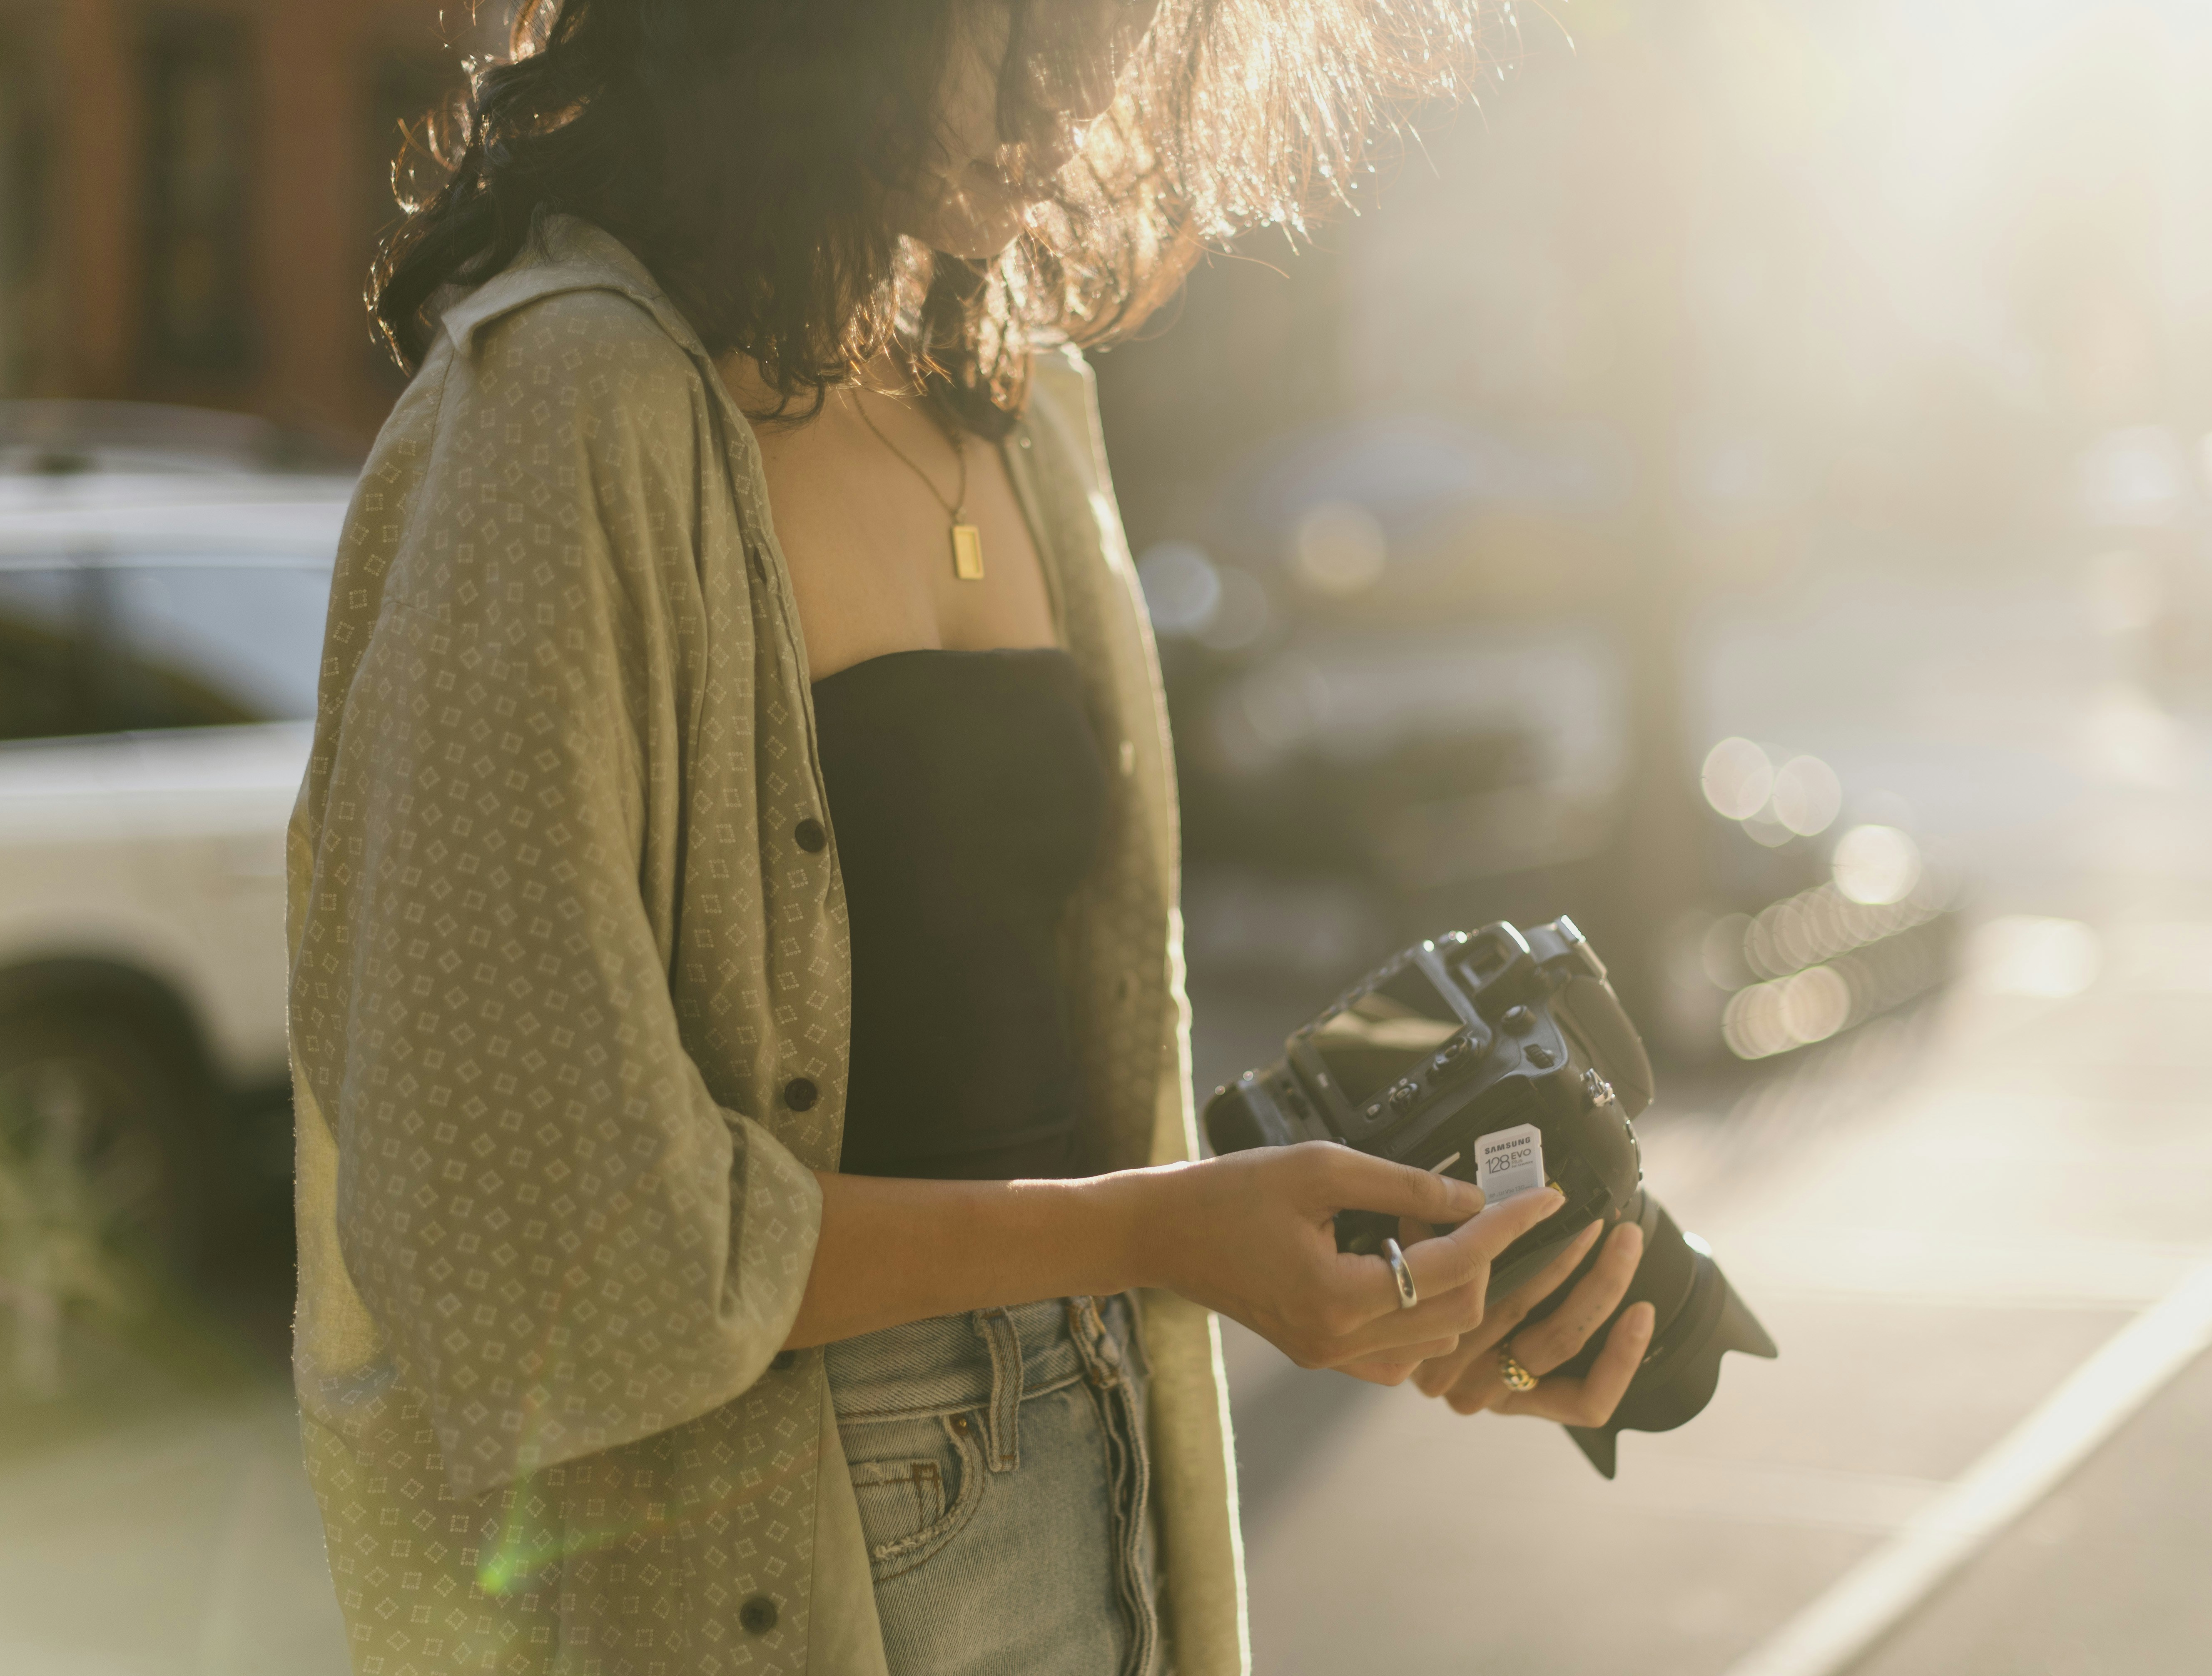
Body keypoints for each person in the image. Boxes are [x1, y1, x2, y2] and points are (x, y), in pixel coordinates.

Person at [288, 1, 1655, 1671]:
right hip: (785, 1533)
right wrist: (1158, 1228)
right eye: (1023, 31)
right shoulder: (561, 403)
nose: (1068, 103)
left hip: (1105, 1448)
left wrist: (1409, 1256)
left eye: (1112, 40)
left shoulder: (1020, 393)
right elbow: (541, 1242)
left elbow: (1057, 1080)